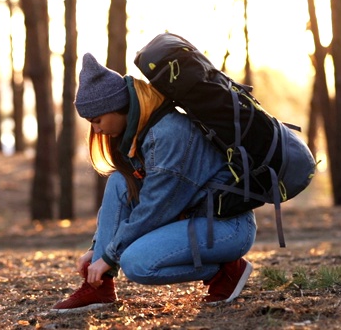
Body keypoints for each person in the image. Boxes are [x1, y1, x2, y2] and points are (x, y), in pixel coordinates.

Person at [51, 52, 257, 313]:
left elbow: (154, 209)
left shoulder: (167, 134)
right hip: (195, 220)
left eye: (97, 120)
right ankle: (99, 287)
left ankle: (227, 271)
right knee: (118, 180)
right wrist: (97, 250)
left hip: (227, 227)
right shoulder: (143, 131)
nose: (97, 130)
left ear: (116, 107)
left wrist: (109, 256)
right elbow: (134, 201)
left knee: (137, 263)